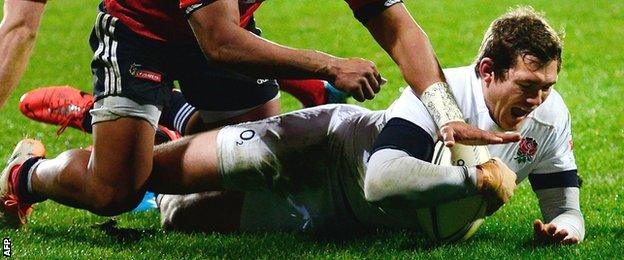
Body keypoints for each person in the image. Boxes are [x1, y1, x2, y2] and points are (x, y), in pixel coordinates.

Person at [1, 0, 521, 230]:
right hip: (143, 37)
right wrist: (328, 67)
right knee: (116, 190)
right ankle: (24, 175)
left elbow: (398, 26)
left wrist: (445, 112)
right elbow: (219, 40)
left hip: (230, 29)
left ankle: (161, 125)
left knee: (245, 179)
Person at [153, 7, 584, 244]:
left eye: (547, 86)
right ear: (487, 70)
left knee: (177, 214)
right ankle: (146, 125)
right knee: (138, 176)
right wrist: (476, 179)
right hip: (325, 146)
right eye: (528, 85)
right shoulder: (442, 90)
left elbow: (565, 207)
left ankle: (176, 123)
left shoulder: (548, 116)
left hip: (339, 214)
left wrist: (565, 230)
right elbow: (380, 179)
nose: (538, 99)